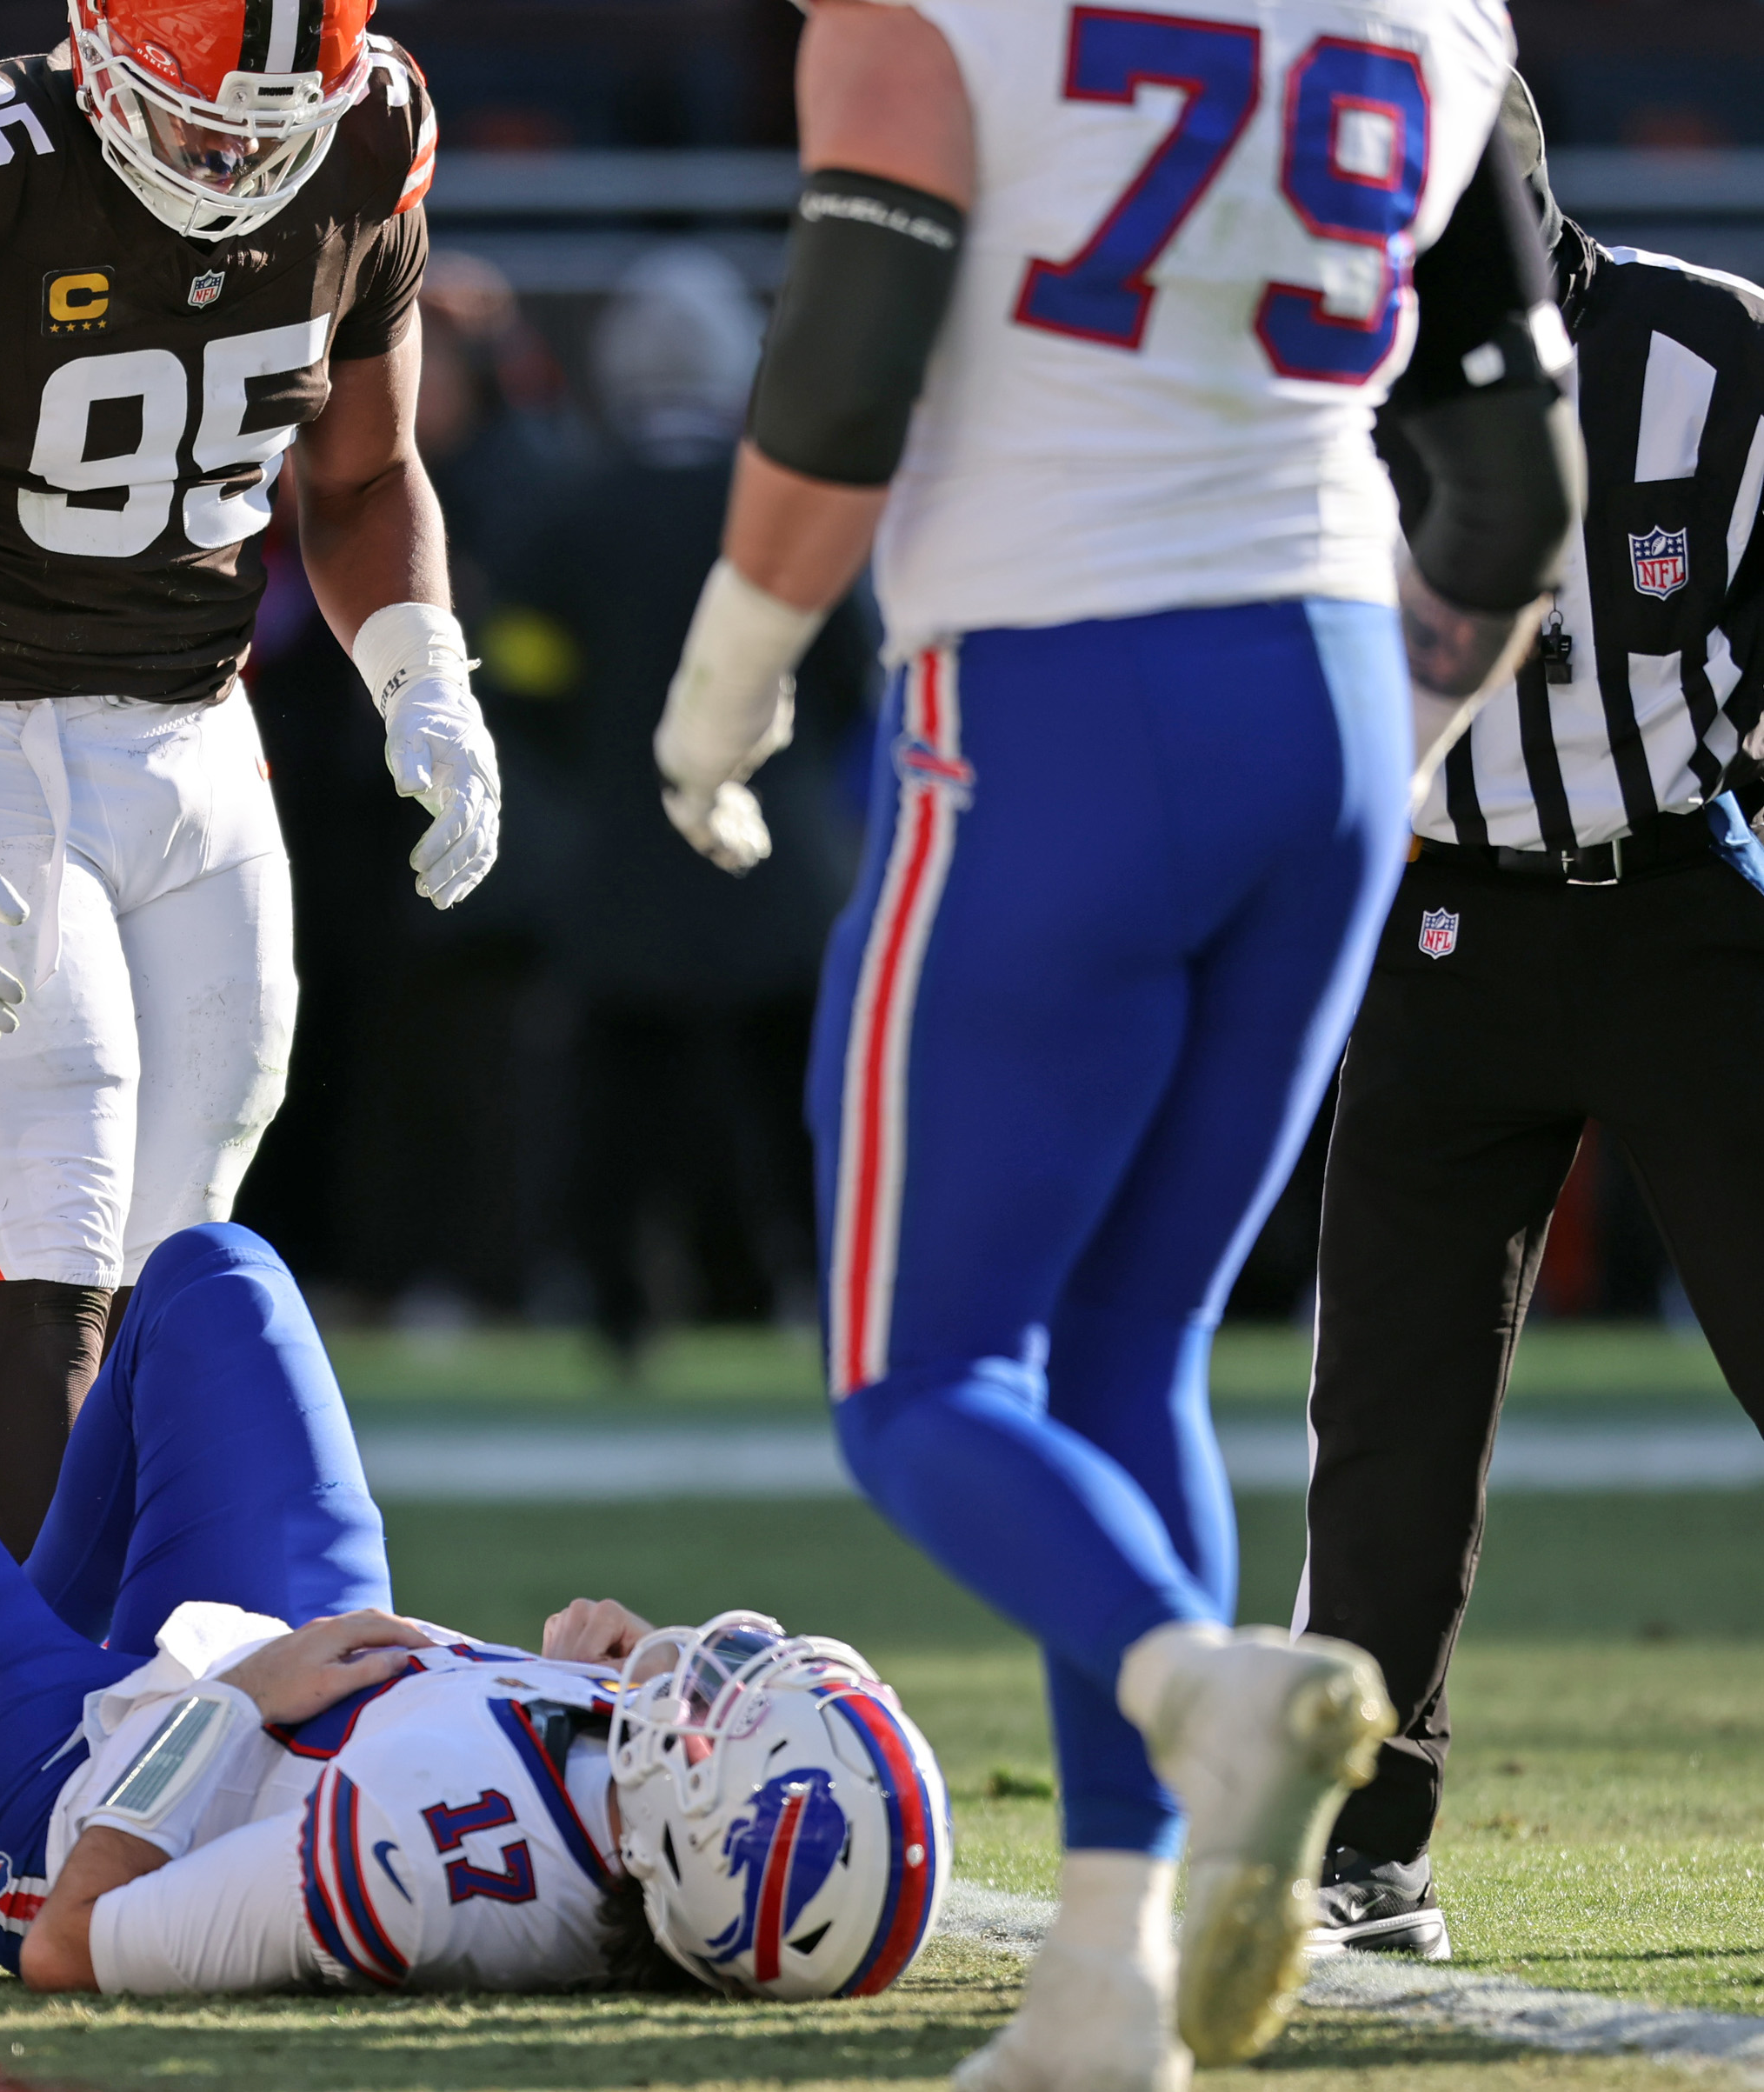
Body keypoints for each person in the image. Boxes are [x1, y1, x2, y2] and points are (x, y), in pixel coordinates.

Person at [647, 0, 1579, 2081]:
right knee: (1127, 1347)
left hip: (1046, 698)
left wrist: (722, 682)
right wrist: (1387, 736)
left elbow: (841, 377)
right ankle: (1105, 1979)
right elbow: (1514, 484)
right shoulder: (1425, 18)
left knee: (913, 1377)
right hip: (1330, 686)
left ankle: (1200, 1678)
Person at [0, 1221, 949, 1997]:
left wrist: (224, 1702)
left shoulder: (398, 1869)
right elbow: (549, 1792)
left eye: (729, 1729)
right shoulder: (632, 1839)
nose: (711, 1683)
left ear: (699, 1840)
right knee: (216, 1276)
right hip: (304, 1678)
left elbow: (72, 1941)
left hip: (90, 1791)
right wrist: (561, 1673)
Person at [0, 0, 503, 1555]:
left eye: (268, 127)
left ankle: (146, 1661)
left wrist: (424, 676)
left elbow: (363, 473)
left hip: (195, 723)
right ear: (95, 56)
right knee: (54, 1216)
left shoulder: (367, 127)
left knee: (189, 1259)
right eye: (198, 119)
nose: (233, 159)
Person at [1298, 79, 1764, 1963]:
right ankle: (1361, 1845)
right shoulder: (1312, 378)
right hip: (1437, 931)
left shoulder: (1715, 357)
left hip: (1679, 913)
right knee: (1387, 1414)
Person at [490, 246, 876, 1361]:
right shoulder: (791, 514)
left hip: (620, 864)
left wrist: (613, 777)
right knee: (800, 1103)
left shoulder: (572, 518)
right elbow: (853, 676)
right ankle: (830, 1304)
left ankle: (616, 1310)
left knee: (617, 1111)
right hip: (778, 863)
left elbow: (521, 682)